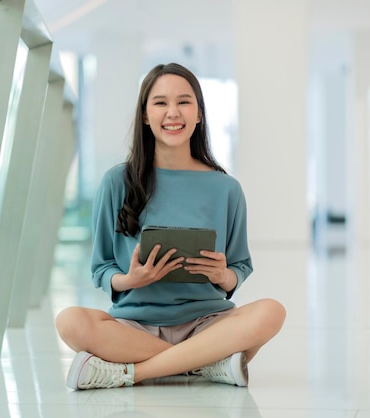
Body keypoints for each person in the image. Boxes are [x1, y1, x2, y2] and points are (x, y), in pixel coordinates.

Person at [55, 63, 286, 390]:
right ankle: (208, 364)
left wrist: (222, 275)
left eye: (184, 102)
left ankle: (131, 373)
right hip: (135, 325)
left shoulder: (226, 189)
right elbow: (101, 266)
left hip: (208, 322)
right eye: (161, 103)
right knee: (69, 321)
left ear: (199, 114)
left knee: (271, 312)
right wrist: (129, 279)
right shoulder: (115, 182)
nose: (173, 113)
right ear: (146, 116)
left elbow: (240, 265)